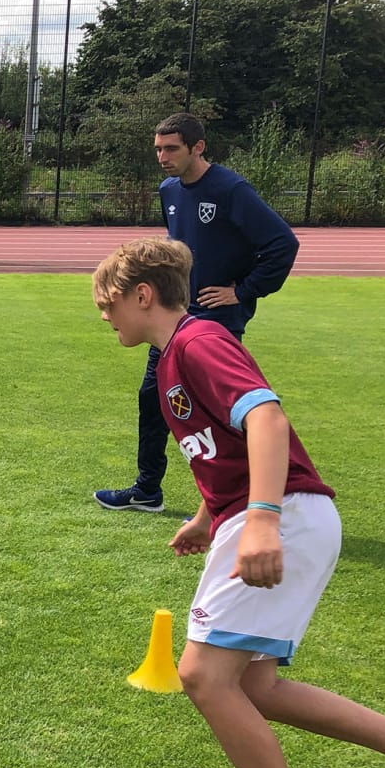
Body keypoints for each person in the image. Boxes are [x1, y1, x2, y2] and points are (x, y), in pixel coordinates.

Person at [92, 236, 385, 768]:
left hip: (284, 515)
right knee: (256, 687)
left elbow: (267, 421)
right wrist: (209, 515)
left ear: (142, 294)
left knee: (202, 675)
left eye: (108, 302)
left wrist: (259, 518)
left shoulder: (198, 342)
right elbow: (222, 446)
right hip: (277, 516)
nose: (103, 314)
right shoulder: (172, 359)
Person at [95, 112, 299, 512]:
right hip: (173, 318)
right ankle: (147, 489)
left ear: (198, 147)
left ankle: (249, 497)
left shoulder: (231, 189)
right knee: (153, 400)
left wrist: (242, 292)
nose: (162, 157)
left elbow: (282, 244)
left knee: (223, 411)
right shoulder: (169, 190)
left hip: (215, 321)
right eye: (158, 149)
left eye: (171, 148)